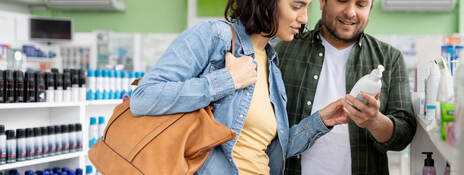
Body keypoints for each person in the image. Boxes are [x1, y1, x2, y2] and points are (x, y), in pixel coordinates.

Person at [130, 0, 352, 174]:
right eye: (296, 6)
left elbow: (268, 149)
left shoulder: (271, 63)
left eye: (307, 7)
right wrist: (227, 81)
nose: (304, 18)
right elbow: (143, 98)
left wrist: (320, 121)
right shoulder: (214, 36)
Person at [274, 0, 417, 174]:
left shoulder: (389, 58)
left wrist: (374, 121)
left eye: (361, 4)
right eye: (342, 1)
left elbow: (404, 135)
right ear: (322, 2)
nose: (350, 12)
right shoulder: (282, 52)